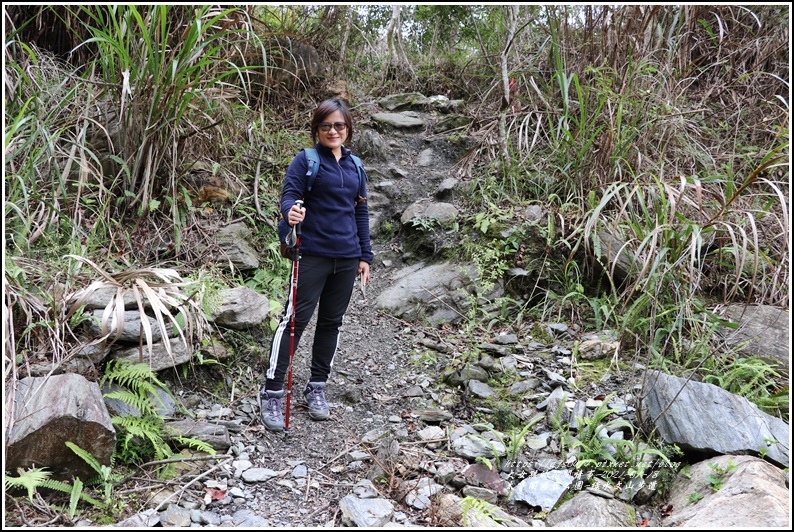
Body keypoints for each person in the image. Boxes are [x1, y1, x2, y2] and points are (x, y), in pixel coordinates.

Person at [260, 98, 373, 432]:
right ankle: (272, 391)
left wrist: (365, 256)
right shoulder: (305, 160)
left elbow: (360, 211)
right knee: (294, 321)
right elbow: (289, 196)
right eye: (326, 126)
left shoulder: (356, 166)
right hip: (311, 253)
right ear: (317, 130)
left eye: (339, 125)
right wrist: (291, 212)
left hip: (347, 255)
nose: (333, 131)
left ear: (348, 129)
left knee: (331, 323)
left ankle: (317, 387)